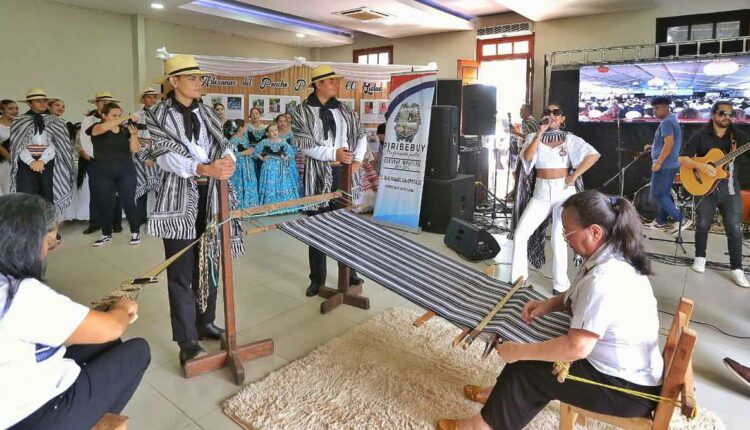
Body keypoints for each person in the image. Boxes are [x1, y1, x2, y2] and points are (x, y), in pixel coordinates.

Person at [438, 191, 663, 430]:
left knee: (529, 367)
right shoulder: (612, 253)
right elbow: (579, 295)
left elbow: (577, 347)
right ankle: (501, 396)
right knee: (530, 341)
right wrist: (549, 304)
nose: (565, 238)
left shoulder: (604, 278)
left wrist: (520, 352)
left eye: (569, 232)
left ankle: (481, 426)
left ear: (595, 231)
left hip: (624, 390)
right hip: (631, 373)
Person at [0, 193, 150, 429]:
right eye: (47, 241)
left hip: (14, 391)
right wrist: (121, 307)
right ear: (27, 243)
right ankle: (95, 421)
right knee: (137, 351)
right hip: (30, 416)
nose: (47, 249)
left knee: (107, 345)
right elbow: (112, 326)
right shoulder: (20, 295)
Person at [145, 54, 242, 364]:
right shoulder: (156, 114)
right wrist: (203, 167)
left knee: (210, 260)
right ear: (173, 81)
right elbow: (164, 155)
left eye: (200, 78)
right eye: (192, 78)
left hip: (212, 196)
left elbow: (223, 143)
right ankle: (186, 338)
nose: (199, 83)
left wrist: (228, 161)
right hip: (177, 199)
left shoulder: (209, 112)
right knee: (181, 270)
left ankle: (205, 321)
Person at [291, 64, 366, 297]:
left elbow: (360, 136)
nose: (336, 84)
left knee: (347, 226)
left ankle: (349, 274)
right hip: (317, 174)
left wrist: (358, 161)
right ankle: (317, 279)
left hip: (343, 173)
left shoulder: (345, 110)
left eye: (336, 81)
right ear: (318, 84)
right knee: (316, 227)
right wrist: (334, 154)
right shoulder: (301, 111)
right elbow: (306, 146)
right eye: (331, 81)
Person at [511, 103, 600, 294]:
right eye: (547, 112)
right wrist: (539, 133)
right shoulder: (532, 137)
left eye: (556, 112)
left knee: (559, 240)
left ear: (562, 118)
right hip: (541, 193)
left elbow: (593, 155)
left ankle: (560, 285)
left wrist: (574, 175)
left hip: (564, 192)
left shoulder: (570, 139)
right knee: (520, 234)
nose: (551, 115)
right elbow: (527, 157)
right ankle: (518, 280)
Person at [679, 101, 750, 287]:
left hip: (730, 190)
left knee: (734, 229)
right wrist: (700, 165)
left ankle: (737, 269)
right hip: (704, 189)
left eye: (730, 114)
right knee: (702, 224)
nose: (727, 117)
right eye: (722, 113)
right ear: (713, 115)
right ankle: (700, 258)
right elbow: (682, 158)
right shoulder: (700, 136)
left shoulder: (738, 137)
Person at [9, 88, 75, 218]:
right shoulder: (19, 121)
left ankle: (49, 229)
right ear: (29, 103)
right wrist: (31, 161)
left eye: (45, 100)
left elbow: (57, 145)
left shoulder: (57, 121)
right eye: (38, 101)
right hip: (25, 163)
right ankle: (29, 229)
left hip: (49, 162)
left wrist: (42, 160)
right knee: (27, 195)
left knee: (48, 193)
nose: (43, 103)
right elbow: (18, 147)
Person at [85, 103, 142, 247]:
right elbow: (104, 128)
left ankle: (135, 232)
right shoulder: (96, 128)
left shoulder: (124, 130)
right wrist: (126, 117)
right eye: (114, 115)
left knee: (128, 201)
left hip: (125, 168)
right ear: (104, 116)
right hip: (102, 170)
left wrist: (134, 135)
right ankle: (106, 234)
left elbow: (135, 149)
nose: (118, 118)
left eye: (119, 115)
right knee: (105, 202)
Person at [643, 96, 691, 233]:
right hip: (671, 164)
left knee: (658, 194)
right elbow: (668, 143)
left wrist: (658, 162)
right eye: (653, 108)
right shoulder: (671, 121)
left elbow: (669, 143)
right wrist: (652, 147)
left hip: (665, 165)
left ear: (666, 107)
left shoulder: (666, 123)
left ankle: (681, 219)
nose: (654, 111)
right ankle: (660, 222)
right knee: (664, 194)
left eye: (657, 108)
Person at [80, 91, 123, 235]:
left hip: (115, 160)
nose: (104, 104)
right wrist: (96, 156)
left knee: (116, 193)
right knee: (96, 192)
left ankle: (116, 223)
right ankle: (95, 223)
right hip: (97, 160)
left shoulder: (118, 119)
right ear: (96, 104)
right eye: (101, 101)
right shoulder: (88, 120)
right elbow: (85, 141)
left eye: (107, 102)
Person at [133, 87, 162, 231]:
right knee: (141, 186)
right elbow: (133, 137)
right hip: (140, 154)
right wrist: (142, 151)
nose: (152, 100)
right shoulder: (135, 116)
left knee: (161, 187)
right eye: (149, 97)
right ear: (143, 99)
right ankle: (139, 218)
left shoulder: (162, 115)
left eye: (154, 97)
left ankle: (160, 218)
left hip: (159, 154)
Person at [256, 122, 300, 211]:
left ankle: (284, 207)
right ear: (267, 133)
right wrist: (262, 158)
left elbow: (291, 152)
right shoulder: (264, 142)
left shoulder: (283, 141)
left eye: (275, 130)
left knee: (283, 184)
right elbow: (255, 152)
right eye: (271, 131)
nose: (274, 132)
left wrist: (286, 157)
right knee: (270, 185)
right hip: (269, 167)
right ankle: (270, 208)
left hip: (281, 167)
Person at [224, 119, 259, 209]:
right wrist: (244, 153)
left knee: (250, 184)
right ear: (240, 128)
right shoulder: (233, 140)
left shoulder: (244, 138)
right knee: (240, 185)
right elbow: (230, 155)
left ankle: (251, 207)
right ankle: (240, 207)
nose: (246, 128)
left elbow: (249, 151)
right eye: (245, 126)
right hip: (240, 168)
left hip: (248, 166)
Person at [507, 104, 539, 200]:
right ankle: (515, 193)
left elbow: (529, 137)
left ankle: (518, 194)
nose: (520, 112)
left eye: (521, 110)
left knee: (520, 172)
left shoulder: (530, 122)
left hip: (529, 152)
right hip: (524, 151)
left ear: (527, 111)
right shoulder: (525, 122)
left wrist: (515, 132)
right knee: (518, 172)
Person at [276, 113, 301, 194]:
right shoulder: (273, 132)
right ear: (276, 122)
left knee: (290, 180)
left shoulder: (291, 133)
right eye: (280, 121)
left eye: (284, 121)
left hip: (289, 161)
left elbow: (295, 148)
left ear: (287, 122)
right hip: (276, 162)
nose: (282, 123)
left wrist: (288, 156)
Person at [0, 99, 19, 195]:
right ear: (2, 109)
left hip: (17, 161)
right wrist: (9, 157)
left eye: (16, 108)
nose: (15, 111)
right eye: (11, 108)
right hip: (3, 162)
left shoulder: (18, 125)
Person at [246, 106, 266, 178]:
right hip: (250, 153)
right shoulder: (246, 127)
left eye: (256, 113)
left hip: (262, 153)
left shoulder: (265, 128)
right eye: (252, 114)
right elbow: (245, 140)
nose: (254, 115)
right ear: (250, 115)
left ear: (260, 115)